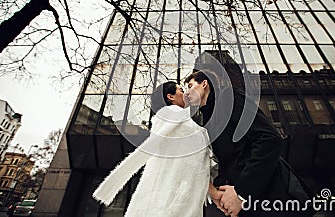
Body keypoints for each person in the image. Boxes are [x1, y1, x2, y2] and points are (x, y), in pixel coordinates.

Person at [185, 70, 314, 217]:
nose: (187, 93)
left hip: (275, 195)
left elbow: (269, 139)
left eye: (190, 86)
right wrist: (222, 196)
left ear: (204, 84)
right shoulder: (206, 122)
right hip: (248, 204)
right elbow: (227, 162)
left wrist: (241, 192)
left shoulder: (228, 97)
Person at [93, 81, 222, 216]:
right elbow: (191, 163)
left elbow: (192, 164)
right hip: (168, 202)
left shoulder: (179, 119)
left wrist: (213, 192)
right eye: (180, 90)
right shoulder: (171, 114)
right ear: (170, 97)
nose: (185, 93)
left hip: (171, 198)